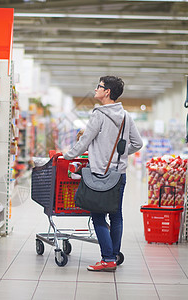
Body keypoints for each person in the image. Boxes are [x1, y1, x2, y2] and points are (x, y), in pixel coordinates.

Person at [64, 76, 143, 272]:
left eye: (99, 86)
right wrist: (122, 154)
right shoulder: (126, 116)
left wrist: (67, 156)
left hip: (100, 174)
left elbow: (84, 142)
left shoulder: (98, 115)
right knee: (116, 216)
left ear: (107, 91)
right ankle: (114, 255)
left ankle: (107, 259)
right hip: (119, 174)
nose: (96, 89)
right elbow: (138, 143)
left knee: (98, 217)